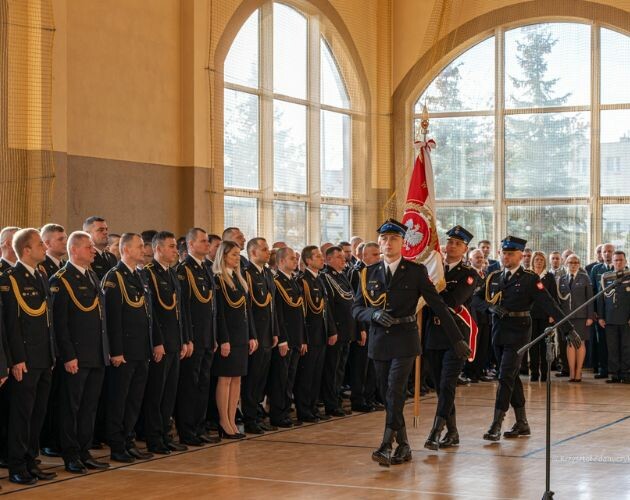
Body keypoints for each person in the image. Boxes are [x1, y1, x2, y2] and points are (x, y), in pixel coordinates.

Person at [353, 219, 469, 467]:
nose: (388, 243)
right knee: (388, 396)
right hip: (379, 341)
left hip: (405, 340)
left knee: (395, 390)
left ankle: (386, 444)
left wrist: (457, 338)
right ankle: (404, 445)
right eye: (384, 239)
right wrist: (371, 314)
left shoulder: (415, 272)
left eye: (394, 239)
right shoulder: (367, 273)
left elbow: (438, 306)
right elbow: (356, 309)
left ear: (403, 243)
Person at [474, 236, 581, 442]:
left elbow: (550, 305)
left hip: (519, 331)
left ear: (520, 255)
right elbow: (476, 298)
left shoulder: (530, 278)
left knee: (505, 375)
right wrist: (489, 307)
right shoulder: (494, 276)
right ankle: (522, 423)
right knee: (511, 376)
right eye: (504, 253)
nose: (506, 257)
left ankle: (497, 423)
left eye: (511, 253)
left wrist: (568, 329)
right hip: (499, 331)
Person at [50, 231, 110, 473]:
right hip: (76, 356)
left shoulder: (92, 276)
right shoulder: (61, 279)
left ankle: (84, 451)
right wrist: (69, 355)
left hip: (95, 354)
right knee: (71, 407)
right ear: (74, 250)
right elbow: (59, 323)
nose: (93, 250)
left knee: (89, 406)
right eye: (88, 247)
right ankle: (71, 454)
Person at [4, 229, 56, 485]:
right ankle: (17, 465)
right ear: (26, 250)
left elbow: (47, 321)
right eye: (39, 245)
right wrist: (17, 359)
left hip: (44, 357)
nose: (44, 248)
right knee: (21, 415)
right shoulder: (11, 278)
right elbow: (12, 324)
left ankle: (30, 460)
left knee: (38, 413)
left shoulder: (41, 275)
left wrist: (52, 354)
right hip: (26, 359)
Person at [424, 226, 478, 450]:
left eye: (458, 243)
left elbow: (453, 301)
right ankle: (453, 432)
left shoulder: (469, 275)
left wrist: (429, 291)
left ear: (465, 249)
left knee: (447, 385)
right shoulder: (433, 270)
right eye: (450, 242)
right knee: (440, 387)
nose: (452, 246)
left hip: (456, 336)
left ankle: (436, 431)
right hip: (434, 334)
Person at [103, 233, 153, 463]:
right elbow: (112, 319)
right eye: (139, 246)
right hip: (124, 350)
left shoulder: (139, 275)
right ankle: (116, 444)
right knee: (119, 400)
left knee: (135, 399)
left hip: (141, 349)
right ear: (125, 249)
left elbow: (147, 315)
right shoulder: (115, 277)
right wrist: (116, 351)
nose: (143, 250)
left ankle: (128, 439)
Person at [141, 231, 188, 454]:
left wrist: (184, 339)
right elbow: (153, 314)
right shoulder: (149, 274)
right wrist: (157, 342)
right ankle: (154, 437)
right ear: (158, 249)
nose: (175, 251)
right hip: (161, 344)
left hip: (174, 342)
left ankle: (165, 434)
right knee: (156, 394)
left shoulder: (172, 274)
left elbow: (179, 311)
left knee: (169, 393)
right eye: (171, 246)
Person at [176, 228, 219, 446]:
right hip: (193, 337)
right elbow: (183, 308)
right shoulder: (184, 270)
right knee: (189, 386)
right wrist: (187, 338)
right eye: (203, 241)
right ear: (191, 245)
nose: (207, 245)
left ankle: (199, 426)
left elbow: (211, 307)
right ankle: (187, 429)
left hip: (207, 337)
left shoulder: (207, 268)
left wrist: (214, 336)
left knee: (203, 384)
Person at [213, 241, 257, 439]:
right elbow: (220, 313)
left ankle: (231, 419)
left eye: (238, 254)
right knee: (225, 379)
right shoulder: (219, 279)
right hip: (228, 337)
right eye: (233, 255)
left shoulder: (239, 279)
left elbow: (247, 311)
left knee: (237, 379)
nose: (237, 258)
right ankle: (223, 420)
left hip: (241, 335)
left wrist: (252, 335)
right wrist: (224, 339)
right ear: (223, 257)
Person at [242, 238, 278, 435]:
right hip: (255, 334)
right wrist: (252, 335)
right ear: (253, 252)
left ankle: (256, 414)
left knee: (261, 380)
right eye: (264, 249)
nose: (268, 252)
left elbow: (271, 307)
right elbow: (248, 309)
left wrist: (275, 332)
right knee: (252, 380)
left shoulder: (266, 273)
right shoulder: (247, 273)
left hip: (267, 334)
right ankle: (249, 418)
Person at [38, 223, 68, 458]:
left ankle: (56, 438)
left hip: (55, 345)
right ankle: (48, 440)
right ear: (46, 244)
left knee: (58, 397)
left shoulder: (62, 267)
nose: (64, 241)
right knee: (49, 399)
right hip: (51, 342)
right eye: (60, 239)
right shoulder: (43, 268)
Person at [295, 246, 335, 422]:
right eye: (317, 256)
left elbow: (326, 309)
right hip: (310, 335)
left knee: (316, 374)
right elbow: (301, 314)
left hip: (321, 334)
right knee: (306, 374)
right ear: (308, 261)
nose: (322, 259)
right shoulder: (302, 281)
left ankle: (312, 407)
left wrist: (332, 330)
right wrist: (302, 337)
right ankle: (304, 410)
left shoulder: (319, 280)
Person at [269, 247, 305, 428]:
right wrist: (282, 338)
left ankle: (285, 411)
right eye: (292, 258)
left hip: (296, 337)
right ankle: (278, 413)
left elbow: (299, 313)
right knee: (280, 379)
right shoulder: (276, 282)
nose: (295, 261)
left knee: (290, 378)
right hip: (285, 338)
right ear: (281, 261)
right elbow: (278, 314)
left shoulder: (293, 281)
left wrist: (302, 339)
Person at [321, 246, 356, 417]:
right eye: (339, 257)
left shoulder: (342, 276)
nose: (344, 260)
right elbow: (329, 309)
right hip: (336, 330)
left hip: (346, 330)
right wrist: (332, 330)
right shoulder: (325, 277)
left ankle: (336, 400)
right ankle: (331, 404)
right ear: (328, 260)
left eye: (344, 257)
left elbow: (351, 302)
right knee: (332, 369)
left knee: (340, 369)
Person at [348, 242, 380, 412]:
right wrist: (360, 328)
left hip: (375, 323)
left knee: (372, 364)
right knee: (360, 365)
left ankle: (370, 396)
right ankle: (358, 399)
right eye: (373, 255)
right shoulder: (357, 273)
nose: (377, 257)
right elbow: (356, 304)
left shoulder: (379, 272)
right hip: (363, 325)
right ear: (363, 256)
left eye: (378, 254)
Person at [557, 254, 594, 382]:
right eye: (570, 262)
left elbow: (590, 298)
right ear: (566, 264)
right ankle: (572, 372)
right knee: (570, 343)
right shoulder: (562, 279)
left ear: (579, 264)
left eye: (576, 262)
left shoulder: (585, 278)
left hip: (582, 316)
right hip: (567, 317)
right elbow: (560, 300)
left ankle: (579, 371)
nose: (573, 265)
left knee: (580, 342)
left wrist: (590, 316)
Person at [597, 251, 630, 384]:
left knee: (626, 347)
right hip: (610, 318)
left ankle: (626, 374)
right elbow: (600, 298)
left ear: (625, 261)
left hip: (626, 318)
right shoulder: (606, 276)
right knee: (612, 347)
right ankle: (614, 374)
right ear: (612, 262)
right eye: (616, 260)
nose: (618, 262)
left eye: (621, 260)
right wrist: (600, 316)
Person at [529, 251, 559, 382]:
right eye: (537, 259)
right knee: (533, 345)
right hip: (530, 316)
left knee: (546, 345)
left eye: (541, 259)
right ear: (533, 261)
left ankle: (545, 374)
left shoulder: (549, 277)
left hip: (546, 316)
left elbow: (553, 297)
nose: (539, 262)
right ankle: (534, 373)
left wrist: (553, 314)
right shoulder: (528, 276)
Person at [590, 243, 616, 380]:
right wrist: (594, 312)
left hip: (616, 312)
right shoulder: (596, 269)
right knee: (602, 342)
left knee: (616, 343)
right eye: (604, 251)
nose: (607, 254)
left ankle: (617, 370)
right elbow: (593, 291)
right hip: (601, 312)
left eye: (610, 251)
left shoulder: (622, 269)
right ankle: (604, 369)